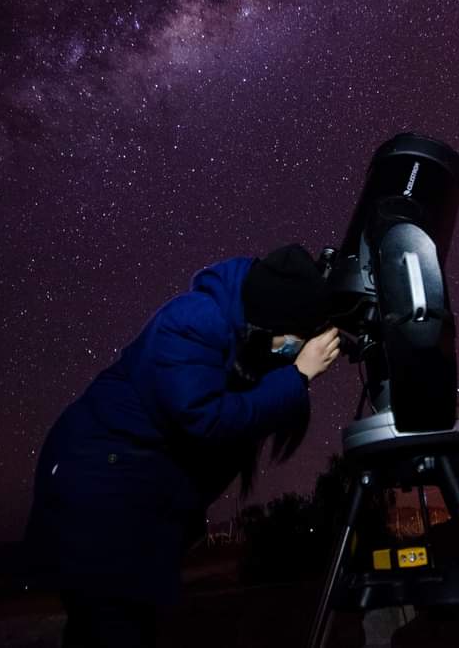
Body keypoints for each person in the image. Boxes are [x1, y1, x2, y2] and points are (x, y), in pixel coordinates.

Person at [23, 244, 341, 648]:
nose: (293, 350)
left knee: (119, 627)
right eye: (293, 340)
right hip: (98, 496)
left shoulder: (241, 335)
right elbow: (205, 419)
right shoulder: (194, 321)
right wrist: (296, 377)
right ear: (269, 320)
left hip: (128, 500)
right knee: (112, 628)